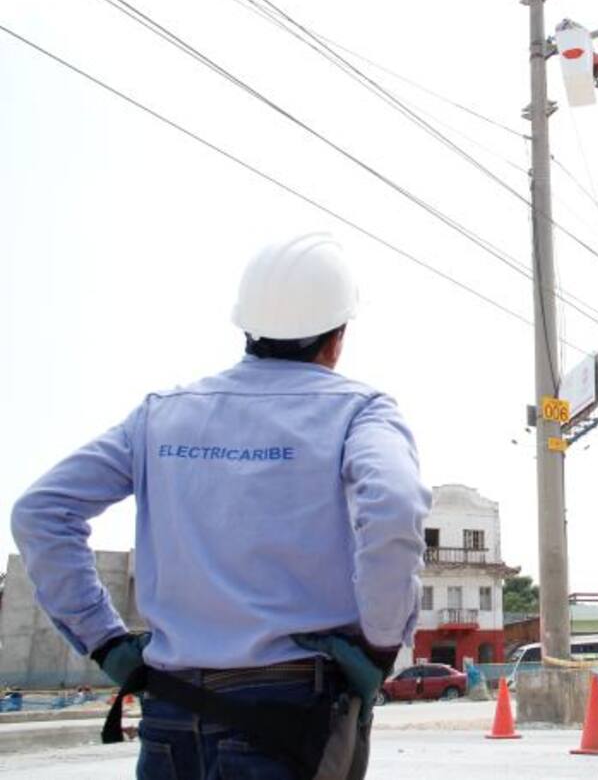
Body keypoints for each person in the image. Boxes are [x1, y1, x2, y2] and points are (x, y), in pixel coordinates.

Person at [11, 233, 430, 779]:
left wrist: (106, 641)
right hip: (291, 716)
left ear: (246, 327)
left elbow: (40, 513)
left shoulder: (161, 415)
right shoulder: (359, 411)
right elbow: (393, 507)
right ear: (338, 336)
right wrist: (379, 645)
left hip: (170, 708)